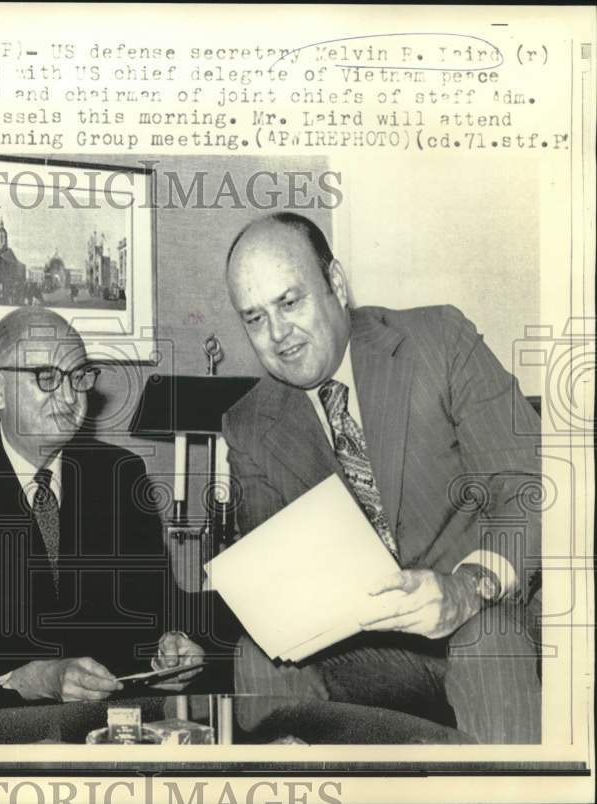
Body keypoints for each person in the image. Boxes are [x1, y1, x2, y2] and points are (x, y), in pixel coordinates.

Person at [221, 212, 542, 743]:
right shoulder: (250, 425)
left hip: (492, 618)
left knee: (486, 639)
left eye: (289, 302)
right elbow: (273, 578)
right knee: (257, 656)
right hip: (372, 648)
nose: (276, 334)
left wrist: (467, 588)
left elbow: (533, 485)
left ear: (337, 285)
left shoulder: (437, 342)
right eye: (254, 318)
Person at [0, 308, 203, 714]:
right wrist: (33, 679)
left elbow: (155, 608)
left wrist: (171, 647)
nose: (71, 397)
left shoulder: (120, 475)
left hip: (108, 734)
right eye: (47, 378)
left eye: (79, 377)